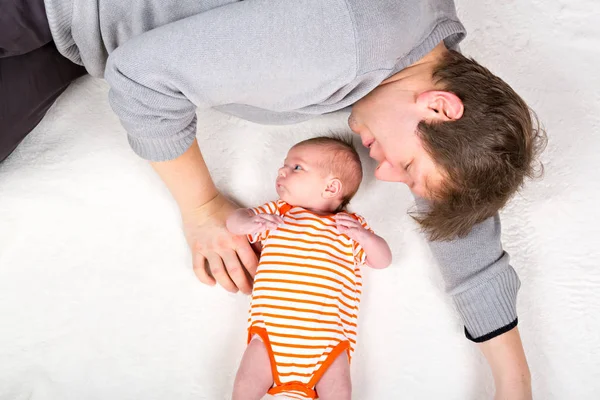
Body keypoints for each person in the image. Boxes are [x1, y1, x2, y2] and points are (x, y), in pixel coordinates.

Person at [1, 0, 546, 397]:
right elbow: (140, 80)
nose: (383, 171)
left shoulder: (428, 46)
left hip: (85, 35)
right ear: (441, 107)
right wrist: (202, 210)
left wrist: (513, 381)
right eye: (404, 166)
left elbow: (456, 206)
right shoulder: (341, 46)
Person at [227, 137, 392, 400]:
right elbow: (234, 222)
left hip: (327, 340)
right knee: (246, 383)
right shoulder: (279, 213)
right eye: (284, 165)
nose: (282, 171)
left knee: (339, 390)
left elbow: (382, 260)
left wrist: (367, 238)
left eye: (297, 167)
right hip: (272, 329)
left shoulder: (350, 227)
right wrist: (249, 223)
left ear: (331, 188)